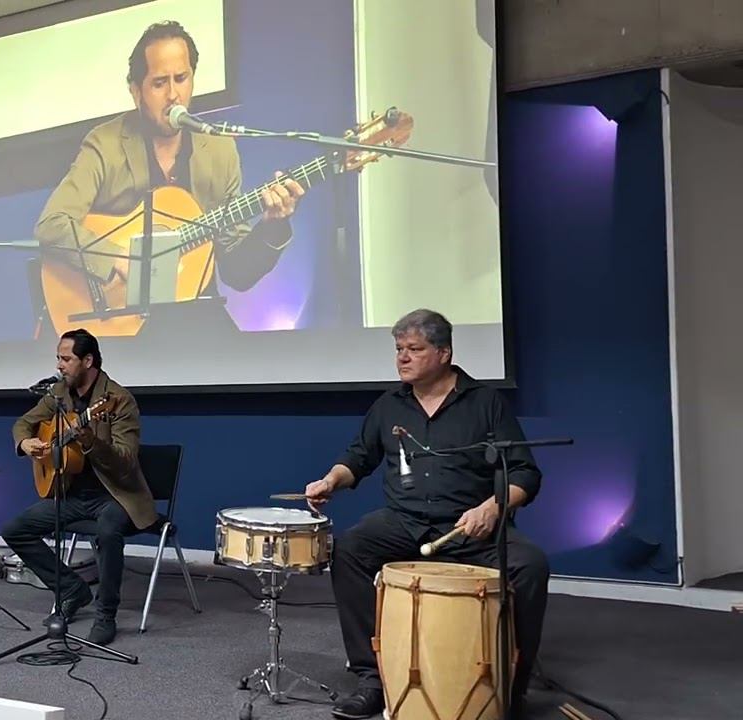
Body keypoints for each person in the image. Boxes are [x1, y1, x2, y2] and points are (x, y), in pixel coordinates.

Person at [306, 309, 549, 719]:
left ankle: (511, 687)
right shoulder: (389, 405)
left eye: (414, 349)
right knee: (349, 549)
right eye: (399, 349)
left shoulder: (485, 403)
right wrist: (332, 479)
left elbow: (526, 472)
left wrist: (493, 507)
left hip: (471, 527)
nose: (402, 357)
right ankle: (373, 679)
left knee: (530, 565)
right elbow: (359, 457)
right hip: (405, 521)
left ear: (443, 353)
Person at [34, 20, 305, 298]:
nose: (173, 95)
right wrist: (116, 259)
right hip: (116, 312)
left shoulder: (220, 150)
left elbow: (237, 273)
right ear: (136, 91)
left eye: (181, 78)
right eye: (160, 83)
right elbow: (52, 224)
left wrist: (272, 225)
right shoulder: (105, 145)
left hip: (193, 308)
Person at [3, 329, 156, 646]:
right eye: (58, 358)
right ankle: (72, 589)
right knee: (15, 529)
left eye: (66, 358)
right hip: (70, 494)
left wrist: (91, 442)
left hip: (114, 496)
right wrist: (26, 443)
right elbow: (23, 423)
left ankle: (106, 614)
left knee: (108, 532)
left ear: (88, 361)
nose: (59, 365)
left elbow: (126, 461)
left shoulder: (118, 400)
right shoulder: (60, 393)